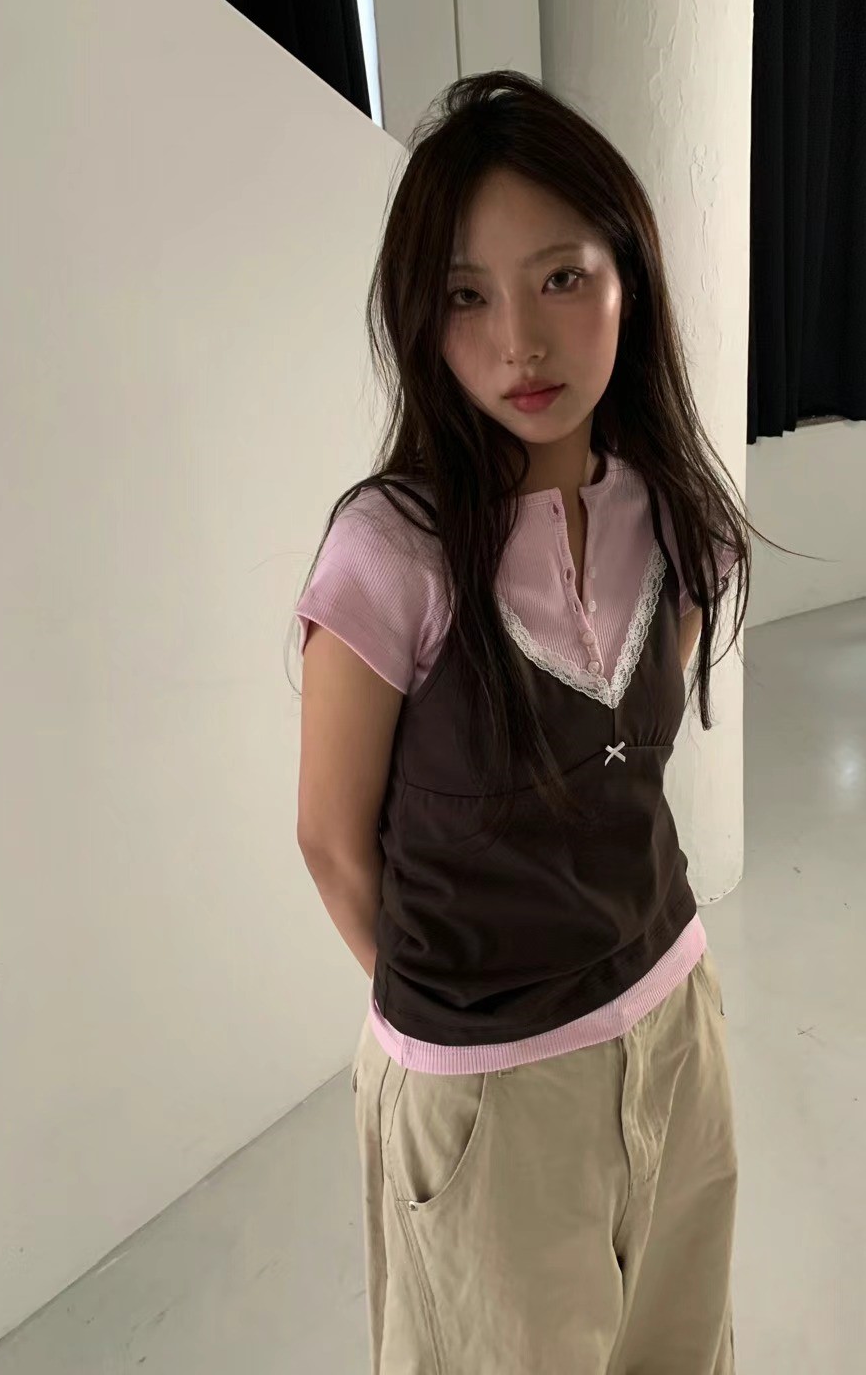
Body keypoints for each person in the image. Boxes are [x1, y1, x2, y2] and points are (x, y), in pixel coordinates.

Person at [294, 70, 750, 1375]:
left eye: (560, 278)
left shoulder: (676, 515)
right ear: (420, 316)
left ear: (627, 281)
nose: (519, 344)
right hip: (487, 1092)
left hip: (674, 1027)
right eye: (465, 296)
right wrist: (459, 1032)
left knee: (682, 1351)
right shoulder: (391, 550)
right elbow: (331, 842)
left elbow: (629, 772)